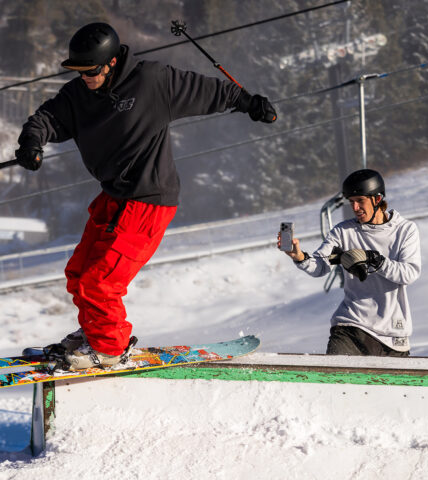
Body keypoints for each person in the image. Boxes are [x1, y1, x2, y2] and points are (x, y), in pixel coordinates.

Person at [17, 22, 277, 370]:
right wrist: (31, 143)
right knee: (79, 272)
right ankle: (96, 332)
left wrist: (249, 103)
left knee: (101, 282)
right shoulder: (79, 95)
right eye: (78, 71)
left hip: (148, 200)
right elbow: (47, 118)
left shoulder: (152, 82)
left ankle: (109, 348)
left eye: (90, 70)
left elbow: (208, 90)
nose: (84, 77)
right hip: (114, 197)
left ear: (110, 63)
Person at [279, 168, 421, 356]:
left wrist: (374, 260)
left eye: (360, 201)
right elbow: (320, 266)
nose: (354, 208)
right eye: (351, 202)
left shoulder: (405, 230)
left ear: (377, 199)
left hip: (393, 336)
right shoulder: (343, 231)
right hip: (351, 328)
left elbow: (409, 274)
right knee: (336, 382)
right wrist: (299, 256)